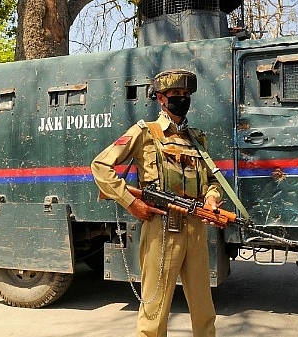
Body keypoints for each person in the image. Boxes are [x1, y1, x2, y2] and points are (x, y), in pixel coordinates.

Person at [91, 69, 222, 337]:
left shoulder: (196, 139)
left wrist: (211, 199)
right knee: (154, 312)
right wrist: (130, 202)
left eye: (186, 94)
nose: (182, 99)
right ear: (161, 99)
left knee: (204, 311)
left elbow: (212, 181)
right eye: (176, 94)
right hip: (160, 230)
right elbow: (100, 165)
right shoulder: (145, 133)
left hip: (195, 228)